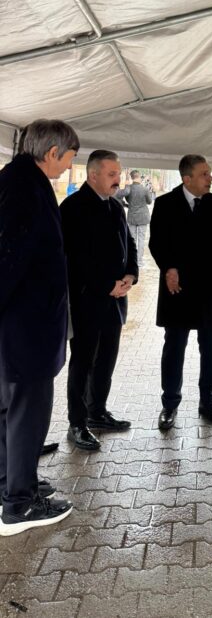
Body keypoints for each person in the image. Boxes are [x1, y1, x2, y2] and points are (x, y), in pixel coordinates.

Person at [0, 119, 78, 535]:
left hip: (20, 328)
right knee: (27, 413)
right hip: (25, 330)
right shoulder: (24, 187)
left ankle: (12, 484)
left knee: (9, 412)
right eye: (68, 158)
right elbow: (9, 258)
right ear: (51, 152)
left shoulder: (19, 179)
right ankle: (20, 504)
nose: (68, 166)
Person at [149, 154, 212, 429]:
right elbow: (157, 242)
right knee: (174, 349)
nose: (211, 178)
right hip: (177, 289)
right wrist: (168, 267)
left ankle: (208, 402)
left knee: (211, 349)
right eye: (205, 174)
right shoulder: (165, 204)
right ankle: (170, 404)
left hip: (210, 290)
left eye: (209, 173)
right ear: (187, 178)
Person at [60, 150, 138, 451]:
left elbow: (129, 243)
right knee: (83, 362)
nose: (118, 179)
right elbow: (74, 259)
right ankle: (77, 423)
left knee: (106, 359)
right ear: (93, 175)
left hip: (115, 301)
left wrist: (131, 274)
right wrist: (107, 285)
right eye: (112, 174)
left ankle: (98, 412)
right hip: (87, 302)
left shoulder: (115, 206)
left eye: (119, 173)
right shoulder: (74, 208)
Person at [116, 170, 153, 268]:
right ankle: (139, 262)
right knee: (141, 240)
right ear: (139, 177)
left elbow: (126, 199)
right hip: (143, 217)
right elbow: (149, 202)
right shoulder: (145, 189)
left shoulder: (128, 188)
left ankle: (132, 260)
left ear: (132, 177)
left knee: (132, 240)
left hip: (132, 216)